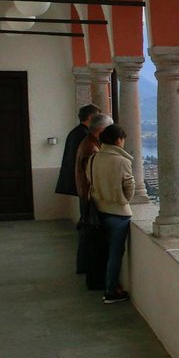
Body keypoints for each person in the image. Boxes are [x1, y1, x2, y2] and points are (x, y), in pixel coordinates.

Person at [89, 123, 135, 304]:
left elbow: (89, 179)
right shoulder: (122, 161)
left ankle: (99, 283)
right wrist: (124, 198)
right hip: (118, 213)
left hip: (98, 210)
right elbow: (129, 188)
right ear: (118, 140)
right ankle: (110, 291)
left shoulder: (93, 158)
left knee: (101, 250)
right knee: (115, 254)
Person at [76, 113, 113, 289]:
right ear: (101, 130)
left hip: (86, 197)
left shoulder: (88, 143)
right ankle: (96, 281)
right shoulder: (92, 149)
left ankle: (89, 274)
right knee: (96, 245)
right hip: (92, 200)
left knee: (90, 241)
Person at [55, 104, 99, 199]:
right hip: (81, 177)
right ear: (91, 117)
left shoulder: (75, 132)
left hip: (75, 176)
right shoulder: (85, 135)